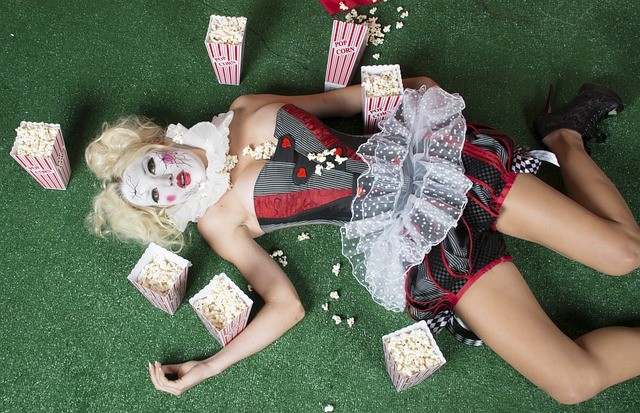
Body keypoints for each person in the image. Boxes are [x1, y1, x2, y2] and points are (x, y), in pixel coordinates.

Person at [85, 76, 640, 404]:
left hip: (438, 167)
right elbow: (285, 304)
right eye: (154, 195)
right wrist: (208, 367)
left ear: (157, 142)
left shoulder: (244, 109)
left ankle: (564, 137)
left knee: (624, 254)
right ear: (163, 211)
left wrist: (416, 87)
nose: (166, 180)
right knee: (572, 383)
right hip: (418, 245)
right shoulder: (217, 222)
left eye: (151, 165)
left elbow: (347, 103)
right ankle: (562, 140)